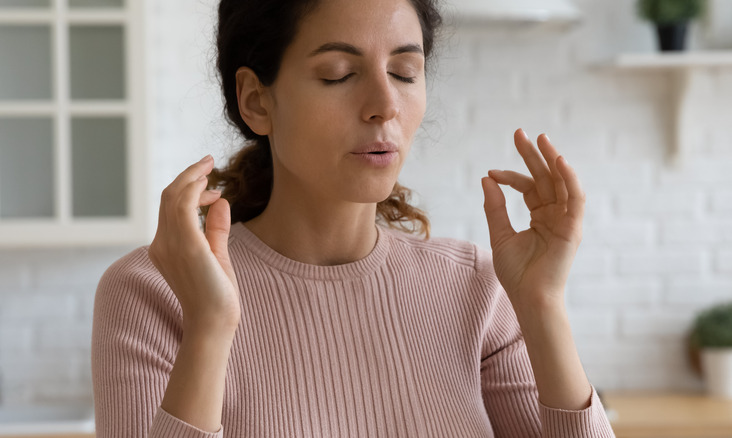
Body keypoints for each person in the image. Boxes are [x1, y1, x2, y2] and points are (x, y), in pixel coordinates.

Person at [91, 0, 616, 436]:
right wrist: (209, 327)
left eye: (404, 72)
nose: (385, 105)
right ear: (257, 101)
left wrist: (542, 307)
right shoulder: (153, 293)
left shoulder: (476, 289)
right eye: (339, 75)